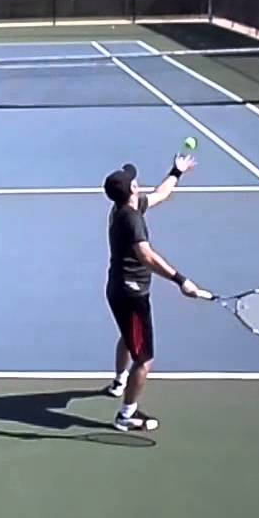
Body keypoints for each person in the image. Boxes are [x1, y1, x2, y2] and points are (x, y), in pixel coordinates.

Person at [101, 156, 201, 432]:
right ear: (132, 189)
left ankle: (119, 382)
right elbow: (146, 256)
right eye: (134, 180)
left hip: (117, 288)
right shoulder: (131, 219)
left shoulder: (124, 208)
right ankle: (126, 415)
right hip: (131, 295)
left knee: (128, 336)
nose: (138, 181)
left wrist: (176, 171)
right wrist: (181, 281)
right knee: (144, 359)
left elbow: (161, 194)